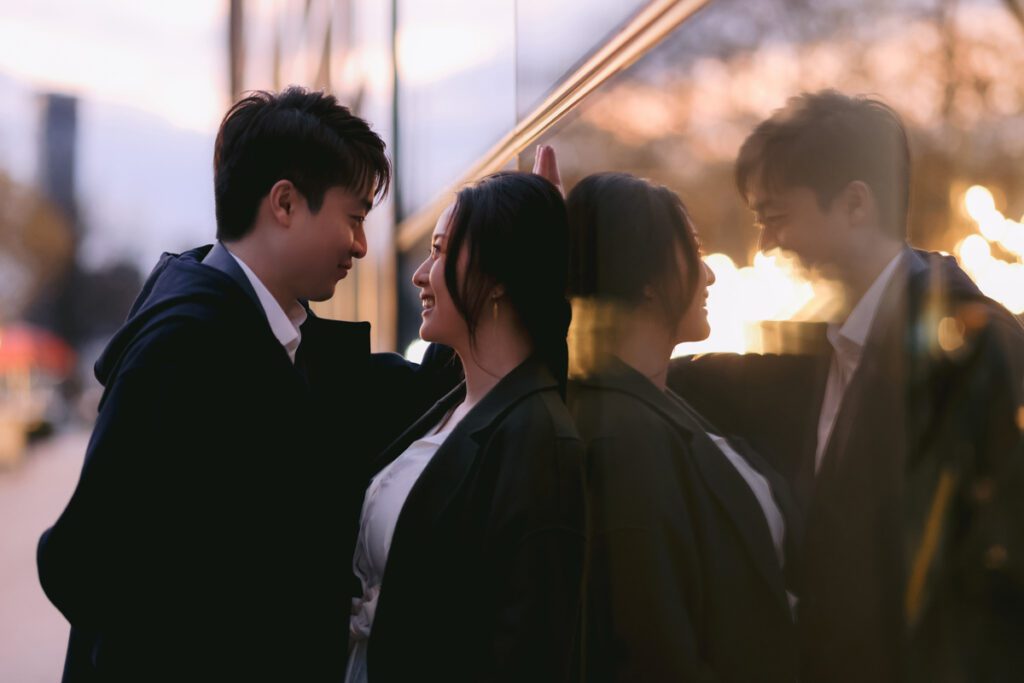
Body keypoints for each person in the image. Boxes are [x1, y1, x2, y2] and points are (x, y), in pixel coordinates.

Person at [37, 87, 456, 683]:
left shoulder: (281, 343)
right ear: (284, 203)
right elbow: (79, 563)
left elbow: (422, 390)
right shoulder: (184, 353)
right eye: (355, 217)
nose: (361, 246)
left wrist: (499, 258)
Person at [669, 90, 1024, 683]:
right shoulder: (822, 351)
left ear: (855, 203)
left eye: (776, 216)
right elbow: (675, 380)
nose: (765, 244)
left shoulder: (973, 350)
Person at [347, 171, 585, 683]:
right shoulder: (451, 404)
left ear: (499, 274)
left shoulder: (539, 440)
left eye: (438, 251)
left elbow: (528, 652)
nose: (420, 274)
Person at [566, 172, 800, 682]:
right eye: (692, 249)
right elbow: (652, 649)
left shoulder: (662, 401)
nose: (710, 275)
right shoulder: (620, 438)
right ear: (645, 278)